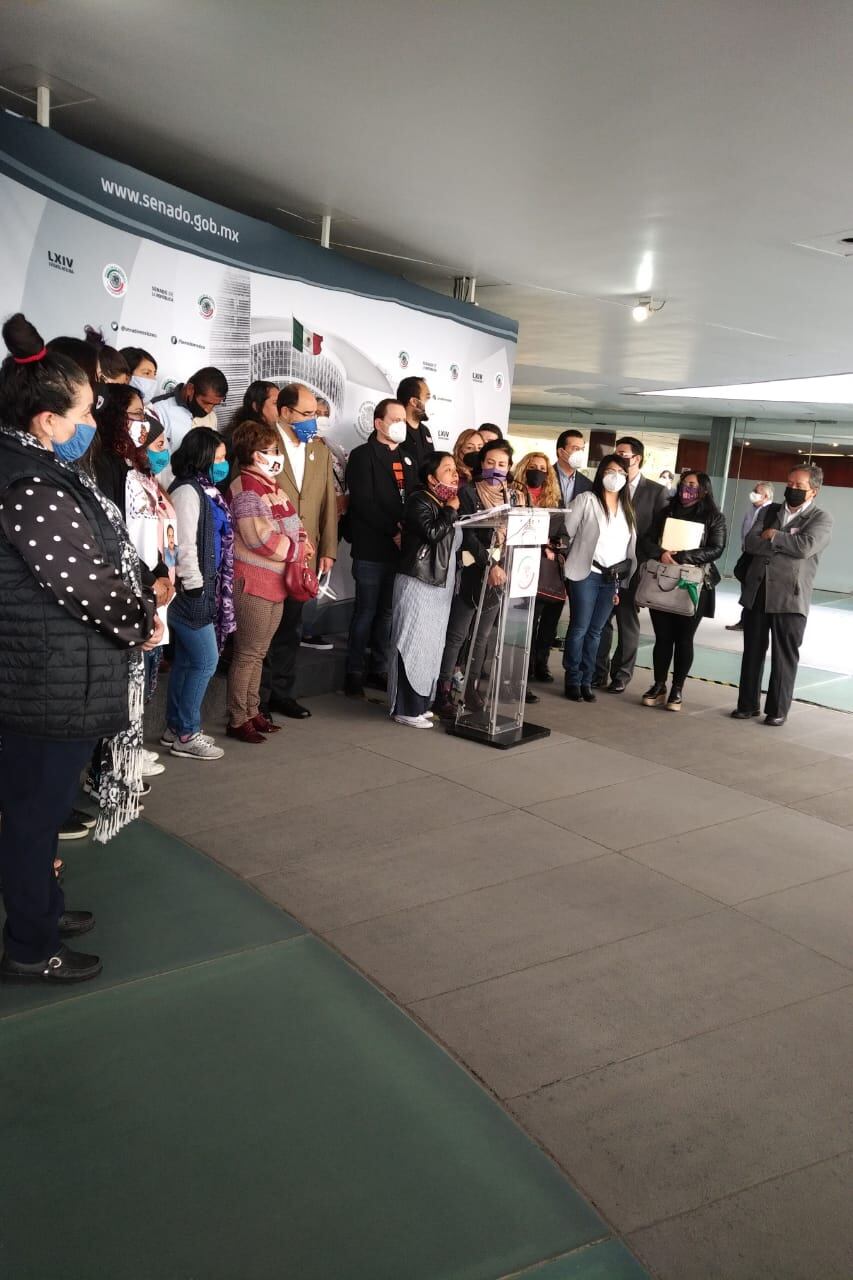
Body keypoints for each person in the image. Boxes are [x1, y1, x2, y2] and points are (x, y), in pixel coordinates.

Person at [0, 313, 160, 983]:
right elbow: (82, 581)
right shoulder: (31, 483)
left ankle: (41, 908)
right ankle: (32, 947)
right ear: (45, 421)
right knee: (33, 818)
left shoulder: (32, 467)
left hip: (49, 672)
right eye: (86, 412)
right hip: (45, 679)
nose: (92, 424)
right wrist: (141, 617)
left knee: (30, 814)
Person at [89, 384, 176, 772]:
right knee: (123, 685)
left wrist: (159, 572)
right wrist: (146, 580)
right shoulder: (102, 465)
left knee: (142, 680)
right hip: (125, 587)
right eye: (137, 414)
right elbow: (113, 535)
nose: (145, 423)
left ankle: (125, 755)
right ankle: (108, 767)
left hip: (149, 583)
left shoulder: (134, 467)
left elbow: (149, 530)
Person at [225, 421, 307, 742]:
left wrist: (302, 542)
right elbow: (259, 538)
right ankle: (236, 717)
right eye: (270, 451)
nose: (276, 456)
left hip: (275, 582)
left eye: (276, 450)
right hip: (253, 582)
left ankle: (253, 710)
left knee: (260, 652)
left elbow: (296, 525)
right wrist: (297, 548)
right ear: (251, 454)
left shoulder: (273, 486)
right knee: (247, 653)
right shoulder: (245, 488)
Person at [733, 466, 832, 726]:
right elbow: (750, 543)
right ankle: (747, 704)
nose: (793, 489)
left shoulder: (820, 518)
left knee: (784, 656)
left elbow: (805, 547)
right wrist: (782, 539)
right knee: (752, 651)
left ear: (814, 490)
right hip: (758, 592)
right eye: (790, 483)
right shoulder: (768, 511)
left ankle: (777, 710)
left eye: (799, 486)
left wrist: (774, 535)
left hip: (790, 598)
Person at [260, 383, 336, 718]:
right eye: (306, 414)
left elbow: (327, 504)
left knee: (291, 626)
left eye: (316, 415)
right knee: (262, 629)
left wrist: (328, 548)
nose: (312, 422)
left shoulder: (320, 450)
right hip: (268, 551)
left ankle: (282, 693)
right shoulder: (263, 443)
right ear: (285, 412)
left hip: (305, 555)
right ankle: (255, 699)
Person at [164, 428, 235, 759]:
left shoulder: (207, 491)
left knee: (188, 660)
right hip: (192, 590)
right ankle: (187, 733)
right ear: (203, 457)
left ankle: (174, 727)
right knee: (206, 660)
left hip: (203, 585)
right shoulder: (188, 493)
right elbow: (184, 544)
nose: (224, 464)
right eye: (219, 458)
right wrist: (195, 585)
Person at [434, 439, 517, 716]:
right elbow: (468, 535)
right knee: (457, 634)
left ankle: (470, 689)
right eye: (490, 462)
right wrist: (490, 563)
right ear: (481, 463)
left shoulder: (512, 495)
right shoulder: (469, 492)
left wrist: (501, 564)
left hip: (500, 574)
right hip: (472, 570)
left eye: (502, 464)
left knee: (481, 637)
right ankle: (442, 690)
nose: (496, 468)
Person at [344, 398, 417, 697]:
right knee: (365, 611)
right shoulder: (362, 456)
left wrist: (406, 532)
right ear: (379, 423)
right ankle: (353, 672)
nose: (401, 424)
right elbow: (363, 502)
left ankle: (379, 668)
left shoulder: (409, 458)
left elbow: (413, 500)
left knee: (387, 613)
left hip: (399, 549)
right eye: (395, 419)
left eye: (403, 419)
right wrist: (392, 530)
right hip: (371, 546)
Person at [640, 471, 726, 711]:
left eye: (693, 485)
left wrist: (685, 555)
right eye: (684, 483)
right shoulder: (666, 512)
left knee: (684, 638)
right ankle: (658, 684)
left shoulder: (714, 517)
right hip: (664, 579)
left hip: (694, 582)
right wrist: (660, 553)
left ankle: (677, 687)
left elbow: (717, 548)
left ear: (704, 490)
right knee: (662, 637)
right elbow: (645, 540)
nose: (686, 488)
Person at [389, 451, 461, 728]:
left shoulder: (441, 502)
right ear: (431, 478)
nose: (454, 474)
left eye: (455, 469)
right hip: (418, 583)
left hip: (438, 586)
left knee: (430, 646)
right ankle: (405, 707)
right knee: (412, 644)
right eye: (447, 470)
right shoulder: (420, 500)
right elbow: (432, 533)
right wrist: (451, 511)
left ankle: (419, 703)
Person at [595, 435, 668, 691]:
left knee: (627, 621)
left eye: (624, 454)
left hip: (635, 566)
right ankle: (598, 671)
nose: (620, 457)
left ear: (637, 458)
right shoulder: (609, 485)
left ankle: (621, 675)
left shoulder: (657, 492)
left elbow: (660, 533)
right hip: (605, 563)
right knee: (601, 619)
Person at [562, 455, 636, 702]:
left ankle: (587, 679)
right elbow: (567, 532)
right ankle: (572, 678)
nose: (615, 476)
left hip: (611, 577)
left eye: (621, 472)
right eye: (610, 470)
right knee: (580, 627)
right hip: (586, 572)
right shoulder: (586, 500)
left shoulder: (627, 508)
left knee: (596, 631)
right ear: (601, 473)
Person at [513, 451, 566, 683]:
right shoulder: (514, 494)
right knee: (527, 621)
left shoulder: (555, 501)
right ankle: (523, 666)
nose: (538, 472)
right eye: (533, 466)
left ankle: (541, 662)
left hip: (547, 567)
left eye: (543, 469)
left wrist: (554, 547)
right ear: (524, 468)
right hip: (521, 565)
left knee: (548, 621)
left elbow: (563, 532)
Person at [726, 481, 774, 630]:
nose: (753, 493)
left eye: (757, 491)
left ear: (766, 496)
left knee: (752, 588)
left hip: (758, 555)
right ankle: (745, 620)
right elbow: (745, 529)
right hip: (747, 552)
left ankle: (748, 621)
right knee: (744, 582)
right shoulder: (751, 509)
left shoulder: (771, 513)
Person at [149, 366, 228, 452]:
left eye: (214, 405)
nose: (208, 410)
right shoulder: (157, 409)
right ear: (190, 389)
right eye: (206, 403)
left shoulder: (212, 416)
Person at [222, 380, 278, 451]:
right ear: (257, 406)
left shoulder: (272, 428)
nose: (280, 407)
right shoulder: (246, 436)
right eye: (275, 403)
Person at [396, 375, 435, 464]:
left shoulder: (425, 431)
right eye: (427, 398)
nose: (430, 403)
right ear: (414, 402)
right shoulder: (394, 430)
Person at [554, 428, 593, 509]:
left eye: (582, 449)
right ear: (561, 452)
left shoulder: (588, 485)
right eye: (575, 448)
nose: (580, 453)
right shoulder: (543, 476)